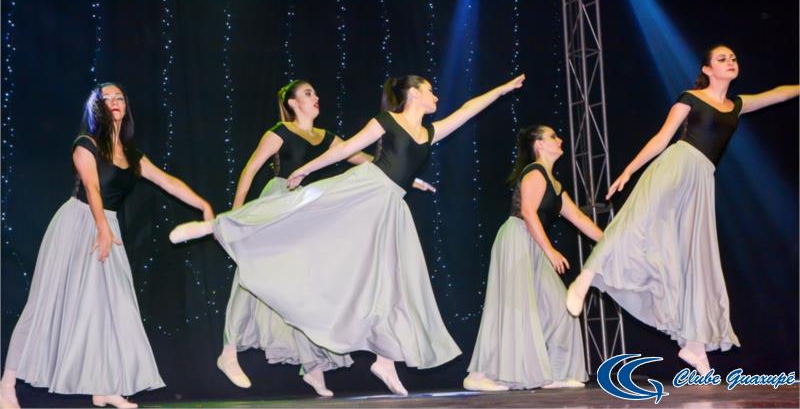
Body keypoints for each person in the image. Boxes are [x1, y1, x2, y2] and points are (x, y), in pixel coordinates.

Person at [170, 74, 525, 396]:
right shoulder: (386, 121)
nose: (436, 96)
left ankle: (384, 358)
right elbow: (345, 151)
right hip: (365, 189)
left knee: (392, 278)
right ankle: (216, 226)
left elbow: (465, 110)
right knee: (300, 206)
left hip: (390, 206)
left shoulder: (429, 132)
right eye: (430, 90)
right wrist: (305, 169)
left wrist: (500, 89)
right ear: (414, 94)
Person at [565, 45, 799, 374]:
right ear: (707, 69)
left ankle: (694, 346)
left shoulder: (736, 105)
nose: (730, 62)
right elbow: (661, 138)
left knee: (696, 259)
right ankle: (586, 278)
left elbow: (778, 94)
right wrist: (629, 170)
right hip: (676, 165)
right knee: (636, 222)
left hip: (703, 180)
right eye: (722, 59)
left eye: (733, 58)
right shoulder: (690, 98)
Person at [0, 83, 213, 409]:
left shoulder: (133, 156)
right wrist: (101, 227)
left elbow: (167, 182)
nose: (114, 102)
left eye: (119, 98)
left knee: (112, 306)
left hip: (107, 225)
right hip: (78, 222)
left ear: (126, 107)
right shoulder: (85, 144)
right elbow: (93, 188)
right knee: (44, 304)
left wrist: (203, 205)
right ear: (96, 108)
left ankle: (104, 387)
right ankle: (7, 384)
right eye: (107, 98)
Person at [219, 80, 433, 397]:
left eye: (316, 93)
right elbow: (250, 169)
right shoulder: (280, 132)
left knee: (307, 285)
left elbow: (371, 160)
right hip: (280, 200)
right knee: (251, 273)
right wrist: (236, 216)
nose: (316, 97)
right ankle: (229, 351)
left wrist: (408, 177)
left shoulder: (328, 137)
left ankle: (313, 366)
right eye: (308, 93)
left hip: (310, 208)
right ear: (293, 103)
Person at [465, 125, 602, 391]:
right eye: (553, 136)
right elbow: (528, 212)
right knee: (513, 308)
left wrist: (610, 243)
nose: (560, 139)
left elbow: (579, 218)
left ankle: (554, 372)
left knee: (562, 307)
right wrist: (550, 251)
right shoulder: (535, 172)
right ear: (539, 145)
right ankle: (479, 375)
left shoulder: (555, 184)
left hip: (535, 244)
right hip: (517, 239)